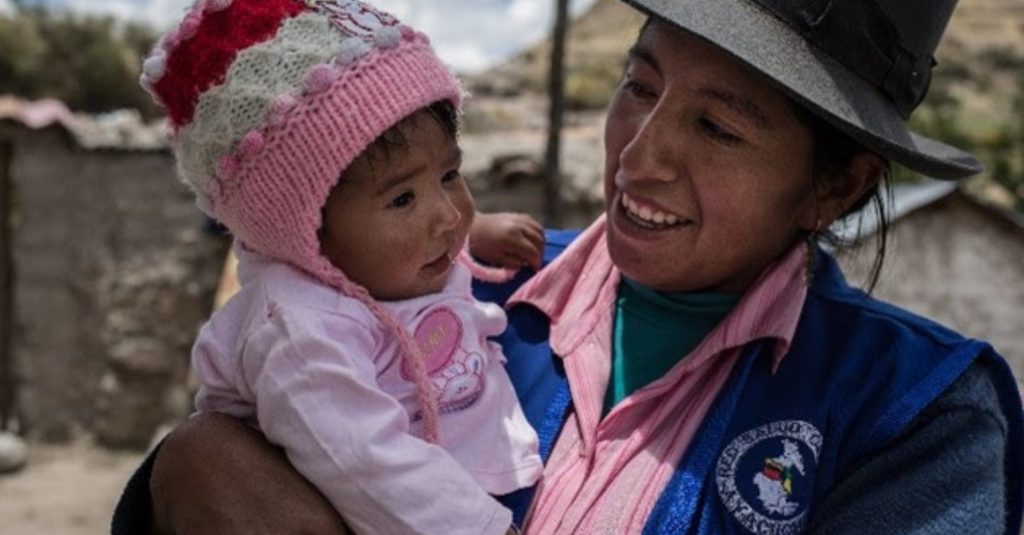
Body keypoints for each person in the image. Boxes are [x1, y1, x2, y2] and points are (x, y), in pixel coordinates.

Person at [113, 0, 1024, 533]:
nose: (640, 154)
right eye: (638, 86)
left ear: (836, 185)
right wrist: (195, 470)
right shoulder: (452, 287)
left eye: (718, 126)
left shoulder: (915, 412)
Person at [130, 0, 549, 533]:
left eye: (449, 175)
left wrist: (478, 230)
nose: (447, 215)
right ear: (305, 230)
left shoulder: (390, 258)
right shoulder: (300, 334)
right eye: (402, 199)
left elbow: (429, 228)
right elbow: (361, 460)